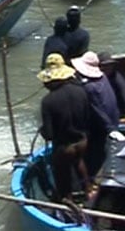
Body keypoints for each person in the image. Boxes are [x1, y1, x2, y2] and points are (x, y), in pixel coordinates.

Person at [38, 53, 91, 202]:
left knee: (62, 177)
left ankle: (67, 202)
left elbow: (49, 134)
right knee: (79, 162)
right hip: (82, 141)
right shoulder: (81, 91)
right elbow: (87, 116)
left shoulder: (48, 101)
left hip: (64, 147)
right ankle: (88, 191)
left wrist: (42, 130)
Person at [72, 51, 120, 178]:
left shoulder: (89, 88)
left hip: (100, 128)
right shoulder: (103, 78)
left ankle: (92, 180)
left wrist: (109, 128)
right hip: (113, 120)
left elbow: (97, 110)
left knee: (93, 157)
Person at [98, 51, 125, 130]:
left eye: (109, 65)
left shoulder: (118, 80)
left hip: (117, 111)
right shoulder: (100, 77)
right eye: (104, 66)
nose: (107, 68)